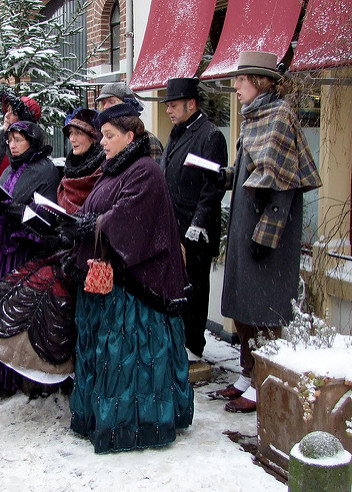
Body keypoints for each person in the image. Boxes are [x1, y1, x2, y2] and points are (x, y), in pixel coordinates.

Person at [60, 103, 194, 453]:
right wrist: (77, 226)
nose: (102, 142)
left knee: (130, 361)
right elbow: (98, 210)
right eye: (102, 136)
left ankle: (135, 425)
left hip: (136, 293)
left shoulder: (145, 171)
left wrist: (94, 226)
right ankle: (101, 417)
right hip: (106, 284)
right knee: (105, 356)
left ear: (129, 136)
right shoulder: (114, 170)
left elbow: (130, 220)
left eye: (108, 136)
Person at [213, 51, 322, 413]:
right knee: (242, 309)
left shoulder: (279, 117)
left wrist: (266, 236)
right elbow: (252, 172)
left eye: (241, 80)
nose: (236, 86)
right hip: (246, 229)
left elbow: (284, 187)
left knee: (264, 313)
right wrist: (226, 176)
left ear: (259, 82)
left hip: (268, 237)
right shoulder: (253, 118)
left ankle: (264, 384)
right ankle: (248, 373)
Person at [0, 120, 61, 392]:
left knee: (15, 314)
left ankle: (12, 377)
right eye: (11, 140)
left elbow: (49, 210)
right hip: (4, 248)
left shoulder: (46, 170)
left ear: (32, 140)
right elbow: (2, 196)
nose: (13, 145)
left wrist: (22, 212)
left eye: (19, 140)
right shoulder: (9, 169)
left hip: (26, 248)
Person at [159, 77, 228, 361]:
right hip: (174, 226)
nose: (168, 110)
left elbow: (213, 187)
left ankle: (194, 348)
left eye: (173, 105)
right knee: (178, 289)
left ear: (191, 104)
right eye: (167, 105)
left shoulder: (210, 135)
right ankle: (180, 345)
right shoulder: (177, 132)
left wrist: (196, 226)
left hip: (196, 232)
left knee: (196, 290)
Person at [95, 82, 164, 162]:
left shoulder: (148, 140)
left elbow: (154, 171)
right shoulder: (103, 140)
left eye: (112, 101)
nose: (105, 106)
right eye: (103, 103)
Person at [57, 108, 105, 214]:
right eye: (71, 133)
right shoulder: (69, 169)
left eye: (78, 133)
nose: (72, 139)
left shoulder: (103, 168)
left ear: (94, 138)